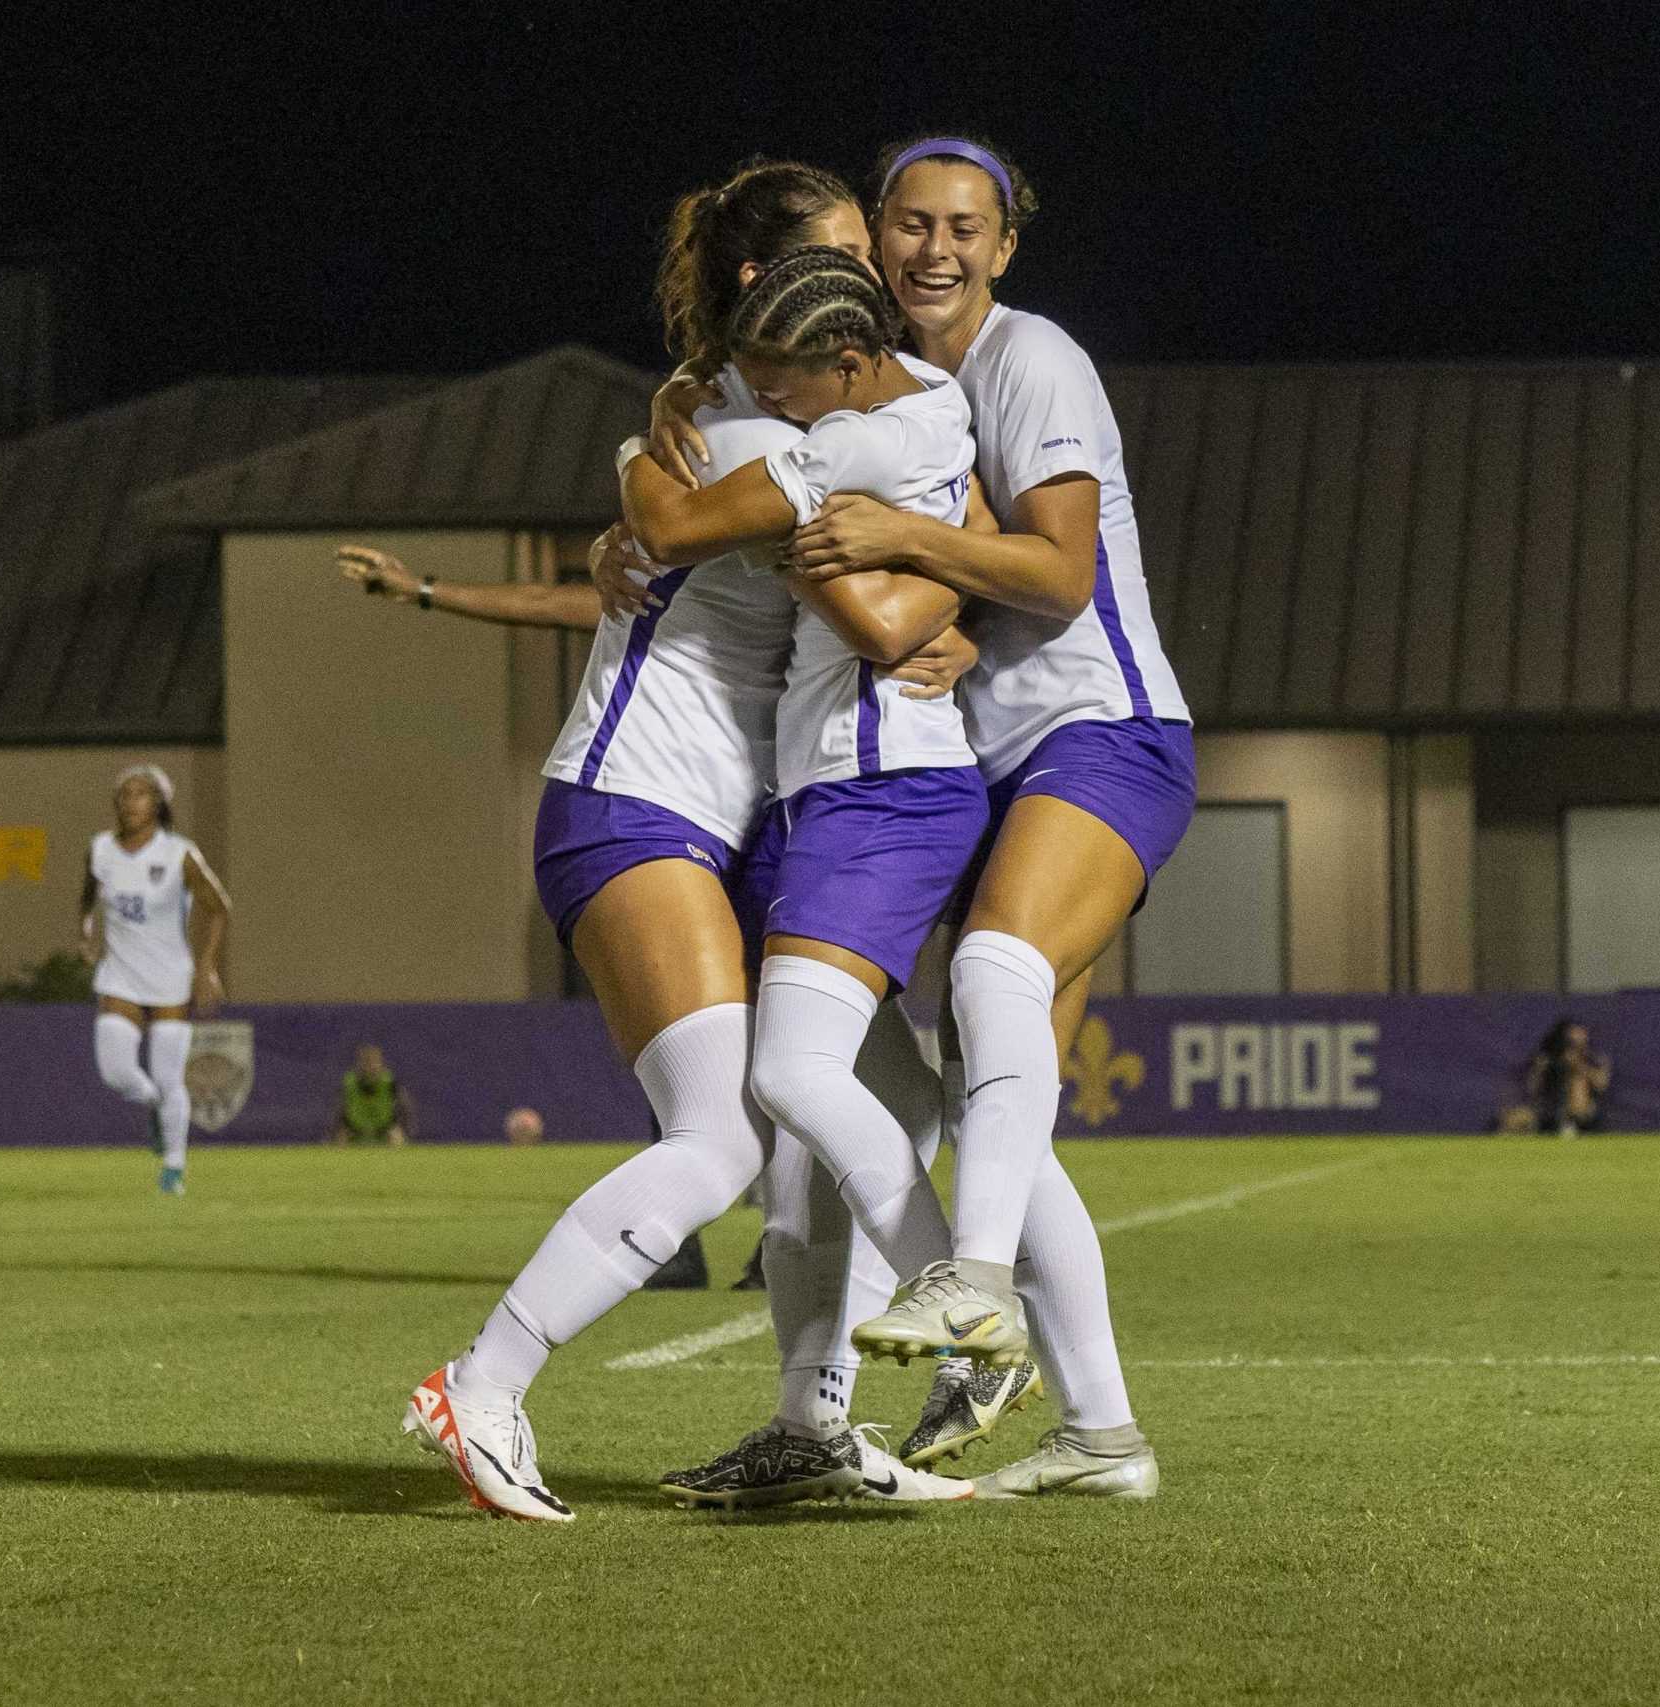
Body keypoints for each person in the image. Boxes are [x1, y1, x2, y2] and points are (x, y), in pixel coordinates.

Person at [385, 160, 978, 1521]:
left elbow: (934, 527)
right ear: (776, 284)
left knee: (869, 1106)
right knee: (721, 1138)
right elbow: (706, 520)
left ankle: (810, 1419)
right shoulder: (752, 430)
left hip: (733, 819)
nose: (876, 275)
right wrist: (942, 612)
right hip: (638, 798)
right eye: (845, 249)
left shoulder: (766, 408)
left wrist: (962, 614)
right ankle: (482, 1380)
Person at [652, 135, 1183, 1500]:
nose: (935, 247)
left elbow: (1058, 575)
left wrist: (904, 554)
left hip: (1096, 729)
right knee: (986, 1106)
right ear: (873, 242)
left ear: (1006, 246)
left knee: (985, 983)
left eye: (967, 226)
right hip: (977, 765)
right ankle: (1101, 1430)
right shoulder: (889, 386)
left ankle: (976, 1294)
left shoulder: (1027, 363)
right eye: (911, 223)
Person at [620, 245, 1001, 1503]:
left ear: (847, 367)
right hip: (837, 797)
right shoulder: (921, 408)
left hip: (880, 791)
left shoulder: (853, 448)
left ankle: (973, 1319)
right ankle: (810, 1426)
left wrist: (640, 441)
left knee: (787, 1079)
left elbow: (672, 524)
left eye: (784, 385)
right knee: (827, 1152)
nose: (766, 403)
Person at [80, 764, 231, 1195]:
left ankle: (173, 1168)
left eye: (142, 794)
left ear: (160, 803)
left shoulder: (178, 854)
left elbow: (219, 907)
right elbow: (88, 899)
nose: (131, 802)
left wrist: (207, 968)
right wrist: (86, 932)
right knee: (116, 1071)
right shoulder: (102, 850)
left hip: (169, 977)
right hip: (120, 976)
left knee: (169, 1076)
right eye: (125, 794)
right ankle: (152, 1106)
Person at [1527, 1019, 1612, 1136]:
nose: (1578, 1047)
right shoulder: (1551, 1062)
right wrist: (1540, 1069)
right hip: (1558, 1119)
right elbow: (1534, 1088)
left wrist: (1580, 1066)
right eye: (1572, 1043)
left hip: (1586, 1120)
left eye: (1582, 1042)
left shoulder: (1593, 1060)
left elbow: (1601, 1084)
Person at [332, 1043, 415, 1146]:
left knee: (397, 1137)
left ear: (381, 1063)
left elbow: (404, 1106)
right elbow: (339, 1108)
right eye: (366, 1062)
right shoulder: (350, 1082)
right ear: (359, 1063)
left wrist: (405, 1129)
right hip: (354, 1128)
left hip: (385, 1128)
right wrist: (336, 1131)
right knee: (340, 1140)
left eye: (374, 1062)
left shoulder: (389, 1082)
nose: (370, 1066)